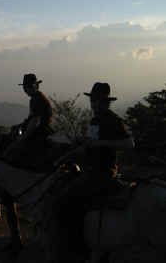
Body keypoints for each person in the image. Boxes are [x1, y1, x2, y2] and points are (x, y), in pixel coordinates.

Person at [49, 82, 134, 261]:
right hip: (90, 172)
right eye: (92, 100)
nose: (93, 104)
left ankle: (78, 249)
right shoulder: (95, 120)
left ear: (105, 102)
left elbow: (129, 144)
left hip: (102, 175)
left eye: (96, 101)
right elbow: (88, 146)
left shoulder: (112, 120)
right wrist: (64, 158)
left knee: (63, 202)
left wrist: (101, 143)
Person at [3, 73, 53, 167]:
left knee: (12, 150)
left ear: (35, 86)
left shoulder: (37, 99)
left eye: (28, 87)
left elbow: (35, 122)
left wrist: (23, 138)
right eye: (25, 87)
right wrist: (20, 126)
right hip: (37, 132)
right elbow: (32, 119)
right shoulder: (35, 98)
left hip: (39, 133)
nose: (26, 90)